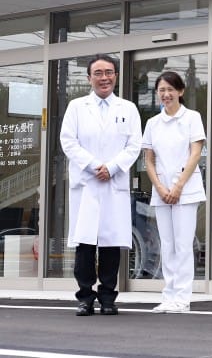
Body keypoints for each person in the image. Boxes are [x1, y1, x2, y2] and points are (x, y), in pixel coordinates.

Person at [60, 54, 142, 317]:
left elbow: (134, 145)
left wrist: (113, 167)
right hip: (87, 182)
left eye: (108, 72)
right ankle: (85, 297)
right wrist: (95, 166)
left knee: (110, 243)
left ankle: (108, 297)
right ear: (89, 78)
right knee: (85, 244)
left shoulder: (128, 108)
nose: (104, 78)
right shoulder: (76, 107)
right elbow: (68, 141)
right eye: (98, 73)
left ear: (116, 76)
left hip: (113, 183)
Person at [141, 71, 206, 313]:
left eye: (170, 89)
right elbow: (148, 160)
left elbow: (195, 154)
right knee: (166, 245)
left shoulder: (192, 118)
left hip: (186, 190)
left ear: (180, 91)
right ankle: (168, 295)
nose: (166, 94)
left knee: (183, 244)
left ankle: (182, 297)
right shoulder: (152, 123)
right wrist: (160, 187)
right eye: (162, 90)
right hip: (162, 191)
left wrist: (178, 186)